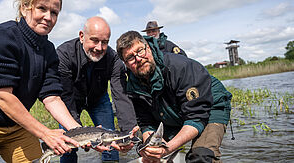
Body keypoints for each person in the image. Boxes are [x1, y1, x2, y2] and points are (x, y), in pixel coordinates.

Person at [0, 0, 107, 162]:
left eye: (54, 12)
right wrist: (45, 133)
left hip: (16, 127)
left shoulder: (48, 50)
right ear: (25, 7)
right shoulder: (2, 36)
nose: (48, 17)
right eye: (42, 8)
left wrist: (82, 132)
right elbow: (1, 96)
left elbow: (52, 98)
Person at [116, 31, 214, 163]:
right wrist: (152, 146)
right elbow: (146, 124)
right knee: (149, 154)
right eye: (130, 57)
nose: (138, 58)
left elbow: (196, 117)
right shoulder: (132, 87)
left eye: (140, 51)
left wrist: (166, 149)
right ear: (126, 64)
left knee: (201, 156)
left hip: (209, 105)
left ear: (148, 48)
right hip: (171, 111)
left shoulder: (180, 67)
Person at [143, 21, 233, 162]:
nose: (152, 33)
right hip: (173, 105)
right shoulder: (142, 55)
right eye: (149, 32)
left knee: (201, 156)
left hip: (203, 100)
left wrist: (169, 147)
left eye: (154, 30)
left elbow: (186, 72)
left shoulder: (170, 47)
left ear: (158, 31)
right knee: (153, 150)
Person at [56, 16, 137, 162]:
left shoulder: (113, 59)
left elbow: (121, 96)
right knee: (69, 144)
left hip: (99, 100)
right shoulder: (64, 54)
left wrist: (129, 131)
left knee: (111, 142)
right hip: (72, 101)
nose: (99, 48)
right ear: (82, 36)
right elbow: (65, 97)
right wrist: (80, 133)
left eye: (104, 42)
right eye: (94, 40)